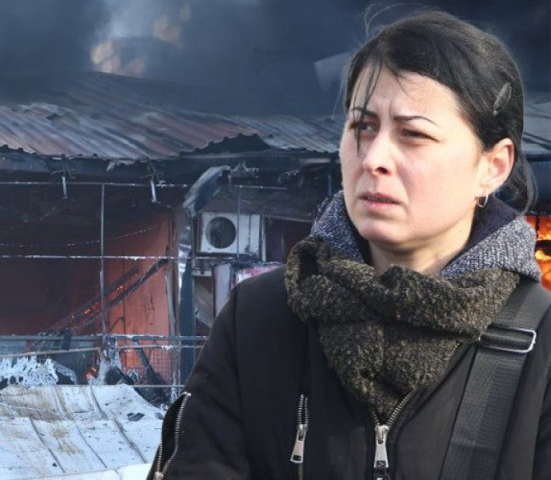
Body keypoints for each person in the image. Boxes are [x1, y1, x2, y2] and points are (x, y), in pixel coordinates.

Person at [148, 10, 550, 479]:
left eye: (413, 135)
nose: (374, 158)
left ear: (494, 166)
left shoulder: (539, 350)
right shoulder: (258, 320)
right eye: (362, 127)